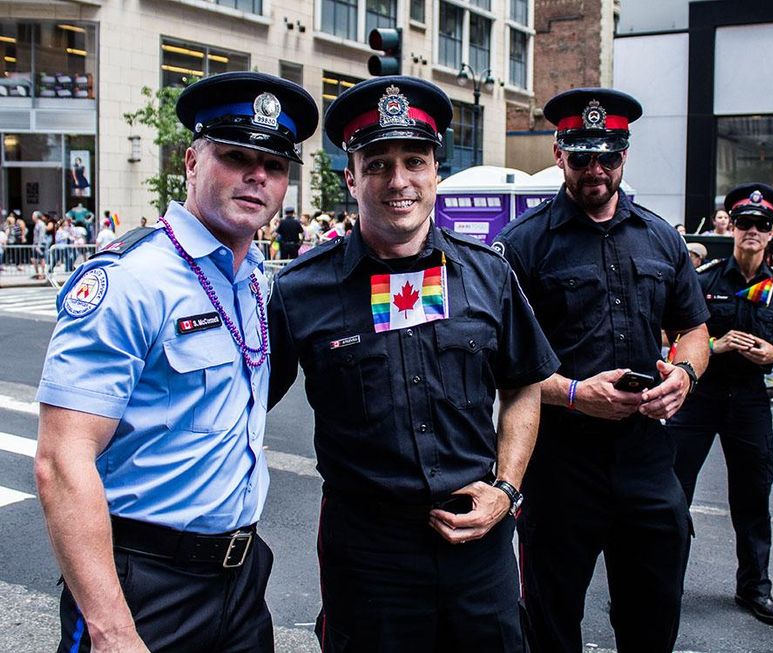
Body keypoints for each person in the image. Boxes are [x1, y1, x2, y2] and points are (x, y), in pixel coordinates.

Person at [267, 76, 559, 653]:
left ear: (436, 173)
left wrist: (506, 488)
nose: (398, 181)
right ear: (350, 177)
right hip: (369, 553)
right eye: (377, 163)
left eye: (414, 160)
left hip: (479, 535)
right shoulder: (301, 291)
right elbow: (241, 407)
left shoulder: (488, 275)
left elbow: (525, 385)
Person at [34, 71, 319, 652]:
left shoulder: (252, 283)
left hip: (240, 578)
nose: (257, 175)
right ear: (191, 161)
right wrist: (112, 630)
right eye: (235, 156)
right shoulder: (130, 280)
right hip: (145, 582)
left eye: (274, 164)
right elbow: (63, 460)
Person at [493, 88, 710, 653]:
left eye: (606, 158)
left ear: (624, 156)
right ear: (560, 153)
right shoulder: (522, 246)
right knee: (550, 614)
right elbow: (500, 362)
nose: (595, 171)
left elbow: (694, 329)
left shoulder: (661, 236)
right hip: (560, 461)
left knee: (654, 606)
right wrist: (570, 392)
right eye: (581, 157)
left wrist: (684, 375)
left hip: (645, 455)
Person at [670, 183, 773, 627]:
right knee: (672, 497)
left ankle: (754, 588)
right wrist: (716, 343)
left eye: (762, 225)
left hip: (750, 402)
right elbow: (674, 339)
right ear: (732, 227)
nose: (753, 231)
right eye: (745, 223)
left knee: (753, 498)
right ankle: (661, 587)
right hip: (700, 398)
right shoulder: (704, 280)